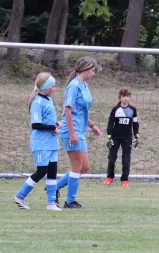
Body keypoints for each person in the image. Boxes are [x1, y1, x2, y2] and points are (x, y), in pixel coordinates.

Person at [55, 56, 102, 209]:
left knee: (84, 167)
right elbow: (68, 111)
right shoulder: (74, 86)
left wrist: (92, 126)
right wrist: (72, 133)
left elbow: (82, 110)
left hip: (80, 130)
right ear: (85, 69)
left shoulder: (85, 85)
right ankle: (70, 201)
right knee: (77, 166)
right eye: (92, 70)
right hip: (71, 131)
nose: (93, 74)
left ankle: (53, 188)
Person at [12, 73, 62, 211]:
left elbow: (47, 121)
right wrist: (53, 127)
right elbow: (36, 125)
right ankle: (20, 196)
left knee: (52, 171)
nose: (55, 88)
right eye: (53, 86)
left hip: (51, 143)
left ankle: (51, 203)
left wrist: (55, 124)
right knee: (42, 171)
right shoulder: (37, 102)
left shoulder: (48, 100)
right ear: (46, 87)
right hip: (41, 144)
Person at [103, 88, 139, 187]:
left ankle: (124, 179)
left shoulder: (133, 110)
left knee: (126, 159)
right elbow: (110, 123)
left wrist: (136, 136)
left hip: (127, 138)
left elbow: (135, 124)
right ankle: (110, 177)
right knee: (112, 158)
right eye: (124, 96)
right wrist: (109, 137)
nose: (125, 98)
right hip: (115, 137)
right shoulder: (115, 110)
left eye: (127, 96)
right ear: (120, 97)